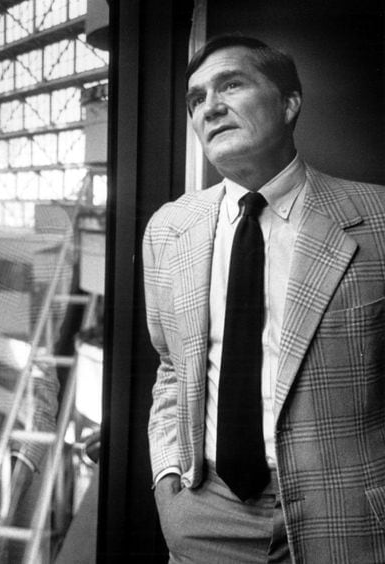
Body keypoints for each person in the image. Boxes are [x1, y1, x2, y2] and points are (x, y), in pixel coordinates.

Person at [143, 34, 385, 563]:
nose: (210, 107)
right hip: (205, 518)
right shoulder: (169, 229)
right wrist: (168, 479)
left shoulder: (380, 220)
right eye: (196, 99)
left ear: (289, 103)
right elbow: (171, 368)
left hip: (351, 521)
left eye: (231, 84)